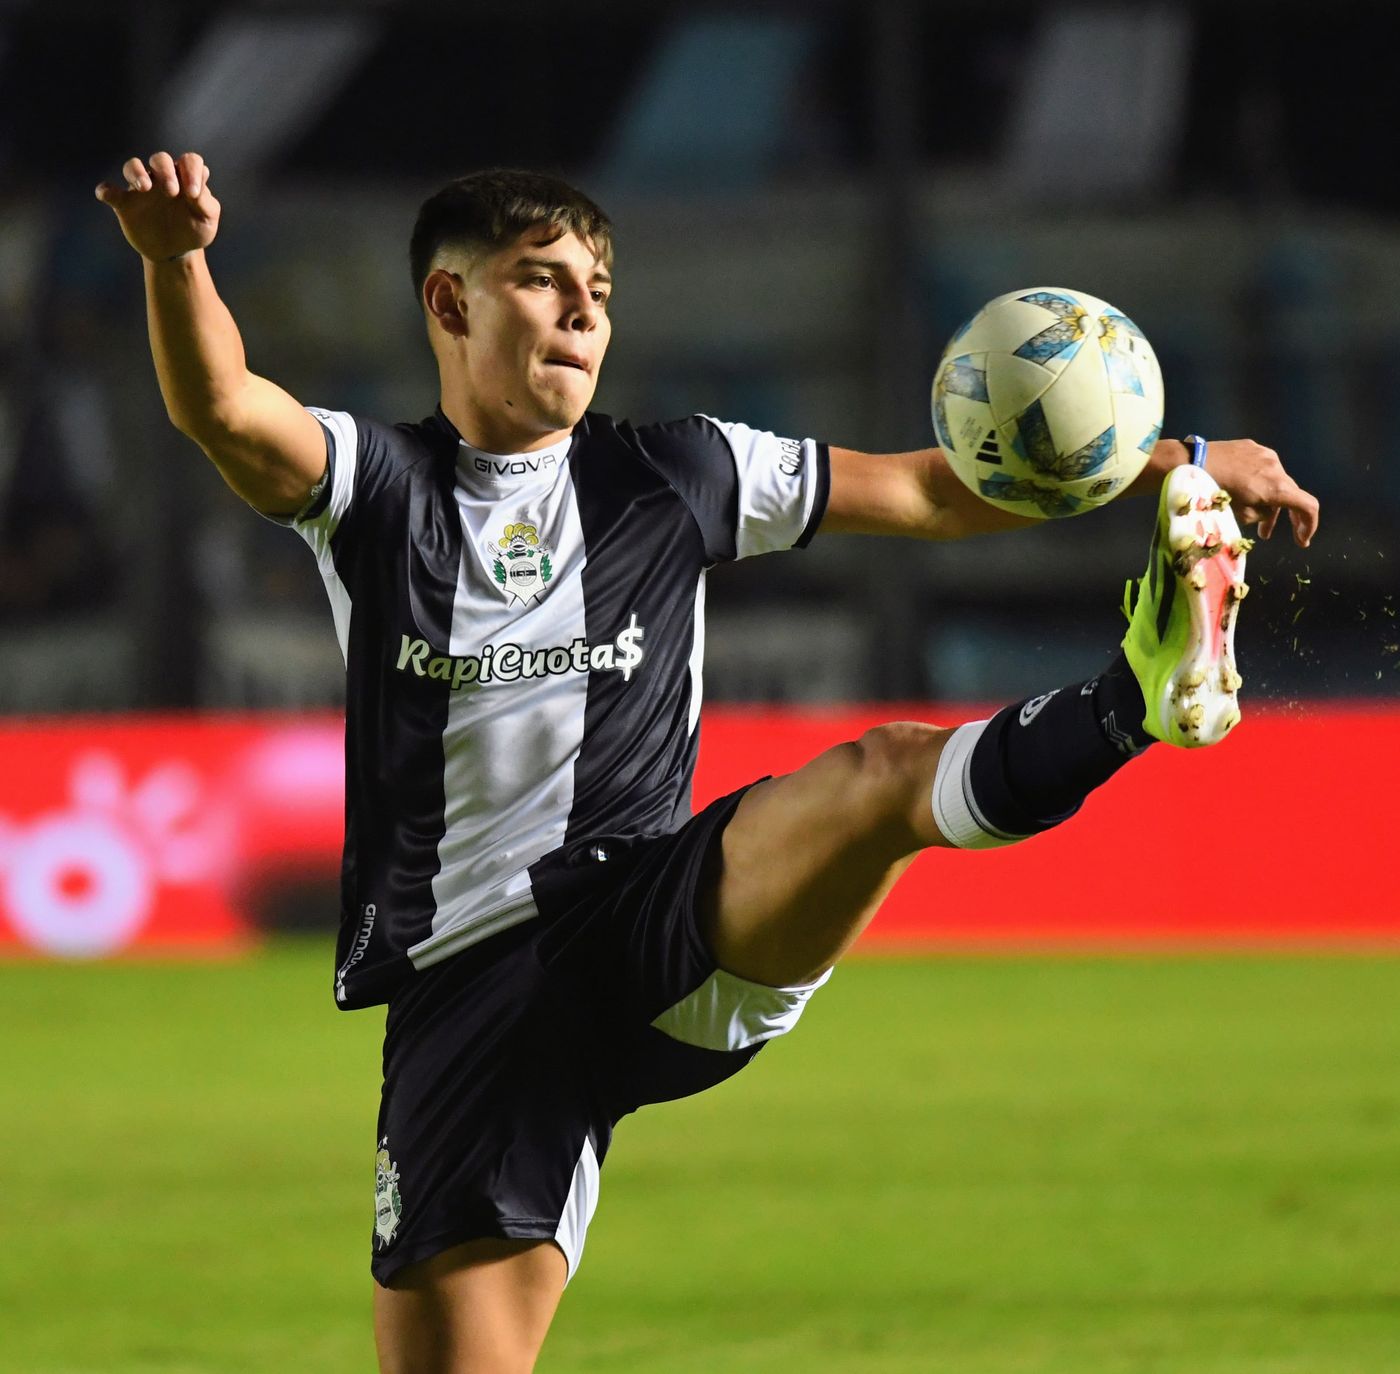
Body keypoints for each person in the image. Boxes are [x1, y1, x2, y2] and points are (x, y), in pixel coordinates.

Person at [97, 150, 1319, 1374]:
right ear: (450, 303)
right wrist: (175, 259)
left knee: (883, 777)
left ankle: (1131, 702)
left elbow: (934, 494)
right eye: (542, 278)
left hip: (648, 910)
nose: (584, 309)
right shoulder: (376, 485)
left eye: (600, 286)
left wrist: (1181, 457)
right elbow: (224, 409)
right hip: (468, 999)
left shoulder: (677, 472)